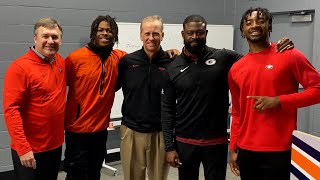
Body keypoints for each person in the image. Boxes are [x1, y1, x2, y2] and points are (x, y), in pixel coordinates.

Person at [161, 14, 293, 180]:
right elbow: (166, 109)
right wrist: (169, 147)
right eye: (190, 33)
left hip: (216, 142)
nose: (195, 36)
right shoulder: (172, 66)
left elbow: (256, 58)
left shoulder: (223, 57)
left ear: (206, 33)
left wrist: (277, 48)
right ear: (183, 34)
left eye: (200, 32)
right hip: (184, 143)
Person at [63, 15, 178, 180]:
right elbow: (59, 86)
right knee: (76, 175)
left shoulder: (121, 58)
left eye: (109, 30)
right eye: (101, 30)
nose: (105, 33)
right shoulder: (76, 58)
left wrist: (170, 53)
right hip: (79, 130)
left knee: (94, 173)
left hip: (102, 130)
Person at [228, 7, 320, 180]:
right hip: (247, 149)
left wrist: (279, 101)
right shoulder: (236, 68)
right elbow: (237, 112)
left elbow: (318, 90)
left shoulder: (289, 55)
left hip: (281, 149)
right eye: (249, 23)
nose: (254, 25)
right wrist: (233, 147)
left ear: (269, 27)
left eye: (260, 21)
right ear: (242, 31)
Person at [3, 17, 65, 180]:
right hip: (31, 150)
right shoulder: (19, 68)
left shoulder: (60, 62)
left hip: (55, 146)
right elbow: (11, 111)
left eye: (55, 37)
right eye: (45, 36)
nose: (50, 41)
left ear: (61, 40)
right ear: (35, 38)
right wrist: (23, 149)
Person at [117, 15, 171, 180]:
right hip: (131, 132)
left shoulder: (172, 63)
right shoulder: (127, 61)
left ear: (162, 35)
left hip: (160, 134)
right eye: (147, 33)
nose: (151, 38)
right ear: (141, 35)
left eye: (155, 33)